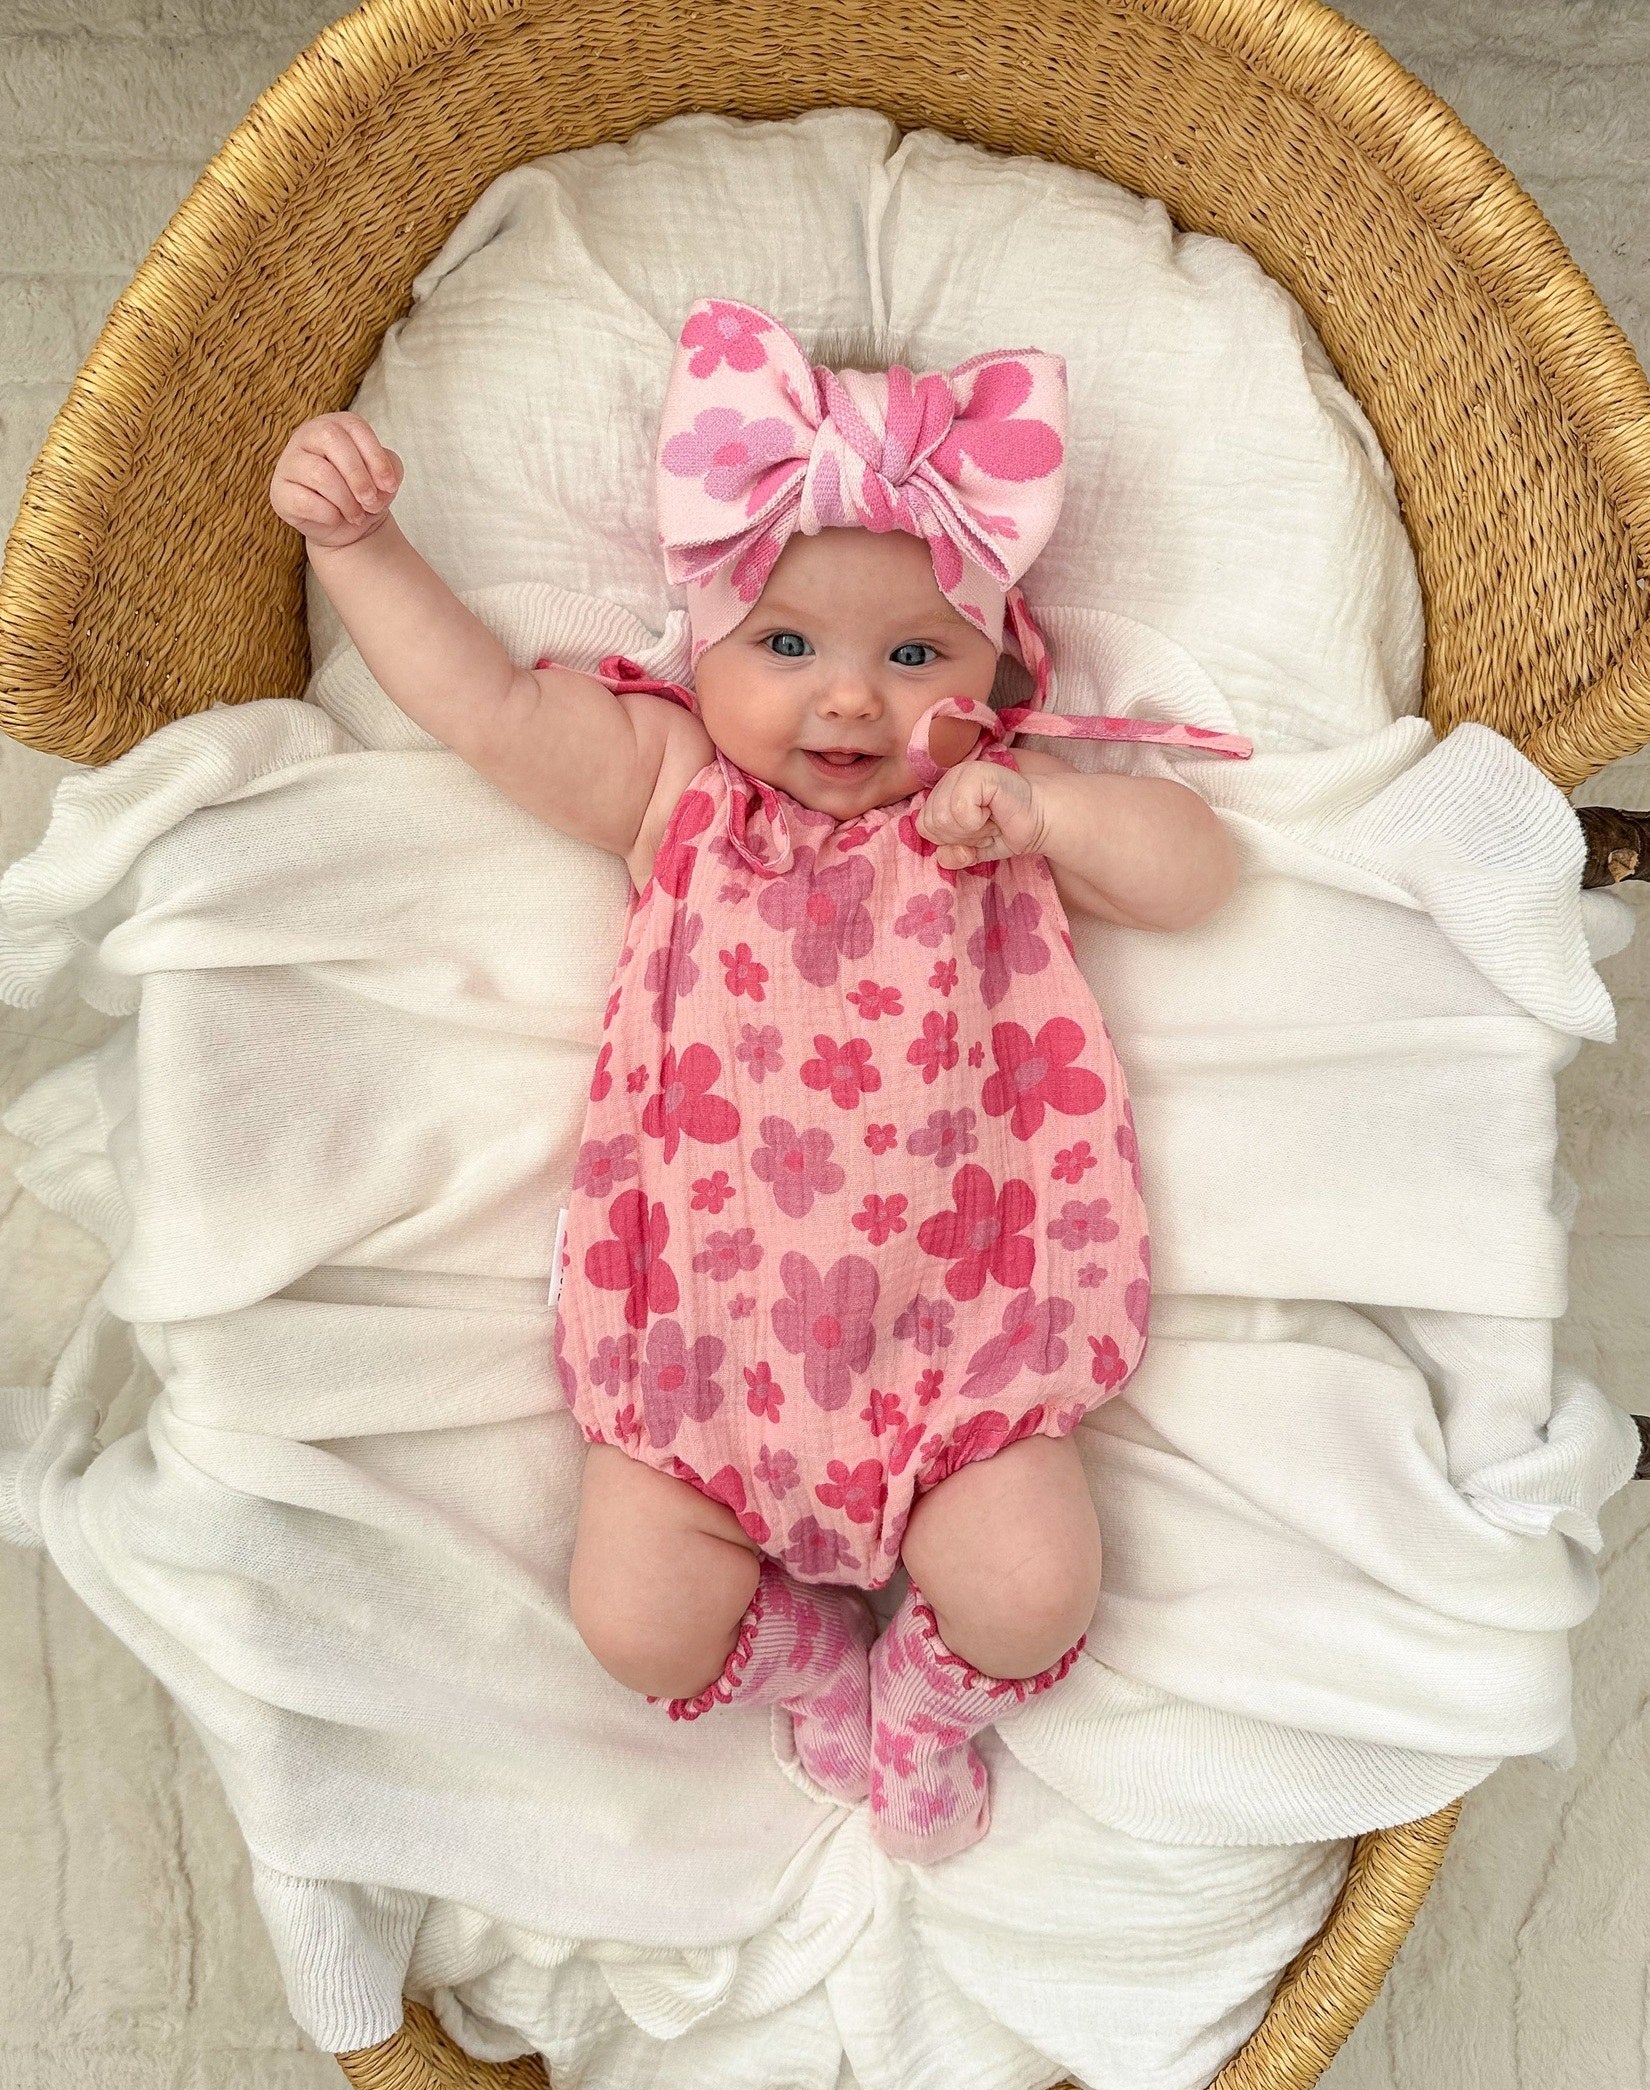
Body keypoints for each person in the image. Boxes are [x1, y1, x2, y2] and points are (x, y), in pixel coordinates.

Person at [269, 297, 1250, 1863]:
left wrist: (1055, 819)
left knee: (1029, 1588)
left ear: (997, 666)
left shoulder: (993, 808)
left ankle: (923, 1696)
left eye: (914, 655)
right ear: (704, 647)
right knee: (637, 1622)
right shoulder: (676, 794)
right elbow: (487, 709)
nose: (848, 699)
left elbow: (1194, 874)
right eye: (785, 646)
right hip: (700, 1371)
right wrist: (361, 549)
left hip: (964, 1353)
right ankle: (801, 1661)